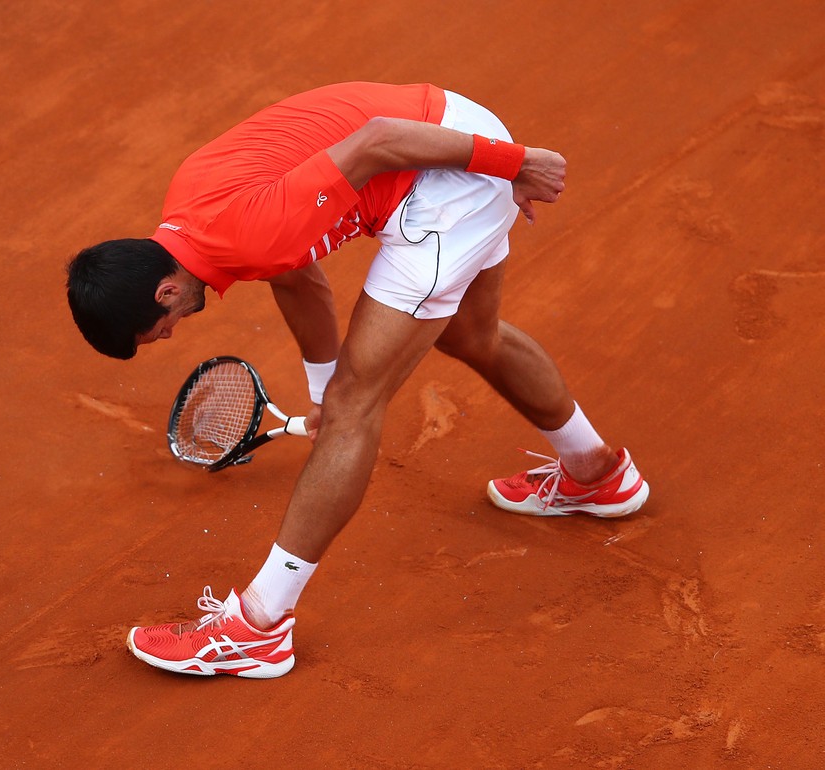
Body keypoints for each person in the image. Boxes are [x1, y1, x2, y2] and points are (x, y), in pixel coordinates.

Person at [65, 82, 649, 679]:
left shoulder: (250, 231)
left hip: (446, 176)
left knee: (356, 405)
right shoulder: (193, 214)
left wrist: (516, 164)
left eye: (158, 329)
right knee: (470, 335)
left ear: (166, 291)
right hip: (450, 130)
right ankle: (596, 472)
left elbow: (380, 140)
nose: (169, 335)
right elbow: (298, 280)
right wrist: (320, 393)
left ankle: (259, 628)